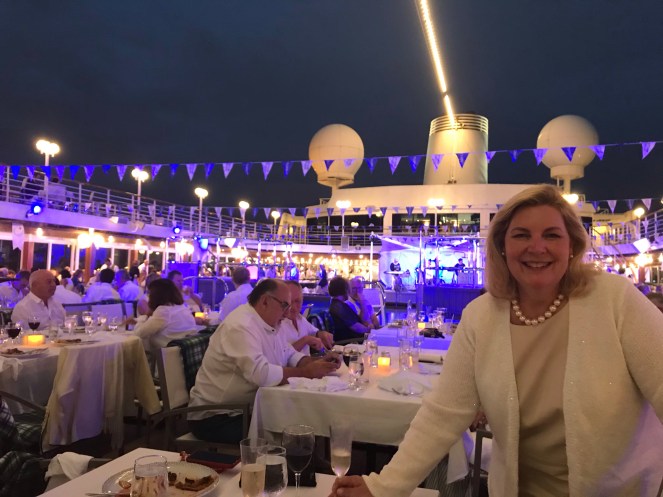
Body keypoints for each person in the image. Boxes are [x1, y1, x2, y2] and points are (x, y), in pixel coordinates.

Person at [330, 184, 663, 497]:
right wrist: (384, 487)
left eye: (551, 235)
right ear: (502, 247)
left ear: (572, 245)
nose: (537, 247)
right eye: (521, 235)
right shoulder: (481, 317)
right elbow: (443, 414)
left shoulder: (614, 300)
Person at [187, 279, 340, 443]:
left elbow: (289, 354)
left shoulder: (271, 323)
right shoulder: (241, 325)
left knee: (304, 420)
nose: (287, 313)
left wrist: (317, 363)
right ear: (265, 301)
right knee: (294, 430)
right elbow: (260, 373)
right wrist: (306, 372)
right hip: (216, 416)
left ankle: (312, 457)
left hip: (247, 408)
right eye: (284, 305)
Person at [128, 278, 198, 351]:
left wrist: (145, 315)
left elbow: (140, 333)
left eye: (150, 293)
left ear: (155, 295)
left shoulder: (163, 311)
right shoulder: (182, 307)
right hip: (186, 352)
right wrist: (138, 320)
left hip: (167, 355)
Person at [280, 280, 334, 355]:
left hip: (310, 362)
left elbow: (314, 333)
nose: (293, 307)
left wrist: (322, 334)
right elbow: (282, 356)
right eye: (290, 301)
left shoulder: (300, 318)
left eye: (297, 301)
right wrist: (305, 340)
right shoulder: (277, 324)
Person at [328, 276, 372, 342]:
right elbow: (356, 327)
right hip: (353, 342)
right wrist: (369, 330)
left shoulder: (337, 305)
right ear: (344, 290)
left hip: (355, 340)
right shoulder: (339, 308)